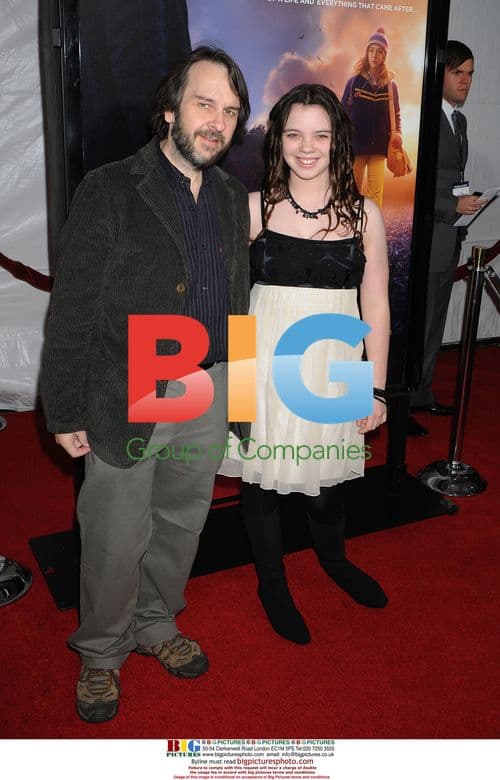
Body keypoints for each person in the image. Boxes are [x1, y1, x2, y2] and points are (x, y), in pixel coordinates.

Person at [40, 46, 250, 723]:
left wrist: (239, 398)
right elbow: (72, 308)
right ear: (168, 111)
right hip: (131, 386)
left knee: (181, 520)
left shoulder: (227, 194)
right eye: (204, 103)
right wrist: (64, 406)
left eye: (230, 110)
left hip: (208, 384)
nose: (216, 121)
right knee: (113, 533)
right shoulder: (109, 189)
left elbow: (237, 300)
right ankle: (101, 653)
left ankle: (157, 622)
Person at [220, 84, 391, 644]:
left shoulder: (364, 214)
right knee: (261, 485)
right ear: (279, 141)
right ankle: (272, 584)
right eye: (294, 133)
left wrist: (377, 390)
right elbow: (233, 303)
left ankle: (335, 561)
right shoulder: (254, 207)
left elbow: (377, 306)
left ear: (338, 140)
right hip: (264, 367)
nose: (307, 146)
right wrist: (238, 390)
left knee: (325, 487)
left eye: (320, 133)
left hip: (332, 369)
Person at [409, 41, 485, 432]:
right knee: (414, 324)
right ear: (440, 74)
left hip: (448, 239)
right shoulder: (424, 118)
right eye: (459, 73)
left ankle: (421, 394)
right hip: (424, 238)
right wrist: (450, 206)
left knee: (435, 323)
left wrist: (464, 205)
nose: (467, 81)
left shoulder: (460, 120)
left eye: (471, 74)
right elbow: (412, 183)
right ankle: (400, 402)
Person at [341, 27, 404, 208]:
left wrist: (396, 135)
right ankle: (350, 230)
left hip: (379, 147)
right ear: (366, 52)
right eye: (371, 50)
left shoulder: (391, 86)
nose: (374, 55)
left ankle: (370, 232)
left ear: (384, 56)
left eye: (379, 51)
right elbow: (342, 113)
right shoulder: (354, 82)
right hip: (356, 145)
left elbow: (396, 114)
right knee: (352, 191)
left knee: (375, 194)